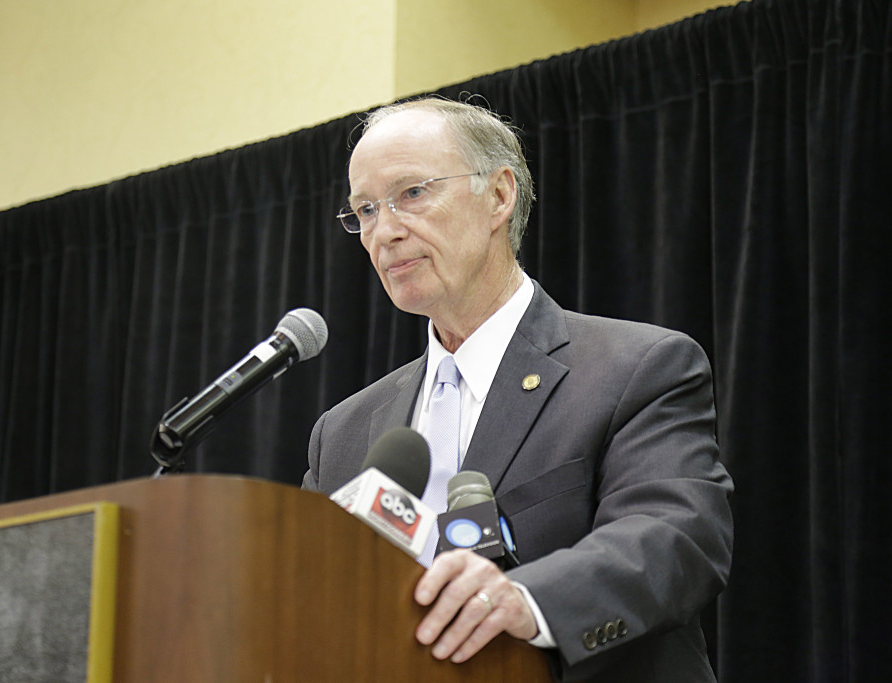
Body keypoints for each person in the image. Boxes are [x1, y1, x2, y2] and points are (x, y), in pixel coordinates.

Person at [302, 97, 733, 682]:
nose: (386, 231)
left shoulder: (637, 367)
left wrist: (525, 602)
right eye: (366, 210)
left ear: (499, 195)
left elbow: (674, 538)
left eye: (411, 194)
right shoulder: (344, 432)